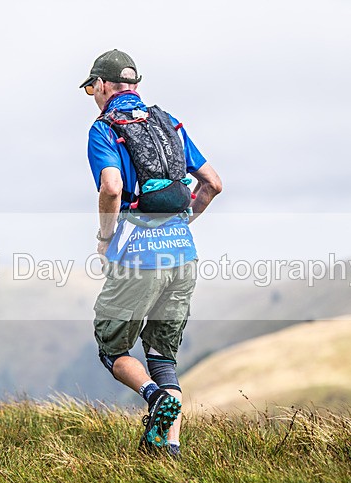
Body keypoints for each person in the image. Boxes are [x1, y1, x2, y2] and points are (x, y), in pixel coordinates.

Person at [81, 49, 222, 456]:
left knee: (113, 349)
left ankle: (153, 396)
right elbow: (212, 183)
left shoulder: (104, 129)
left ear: (105, 85)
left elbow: (111, 187)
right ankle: (170, 453)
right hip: (183, 255)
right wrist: (182, 223)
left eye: (92, 87)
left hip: (137, 257)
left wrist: (106, 237)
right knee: (162, 353)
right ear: (135, 85)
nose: (93, 94)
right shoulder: (168, 123)